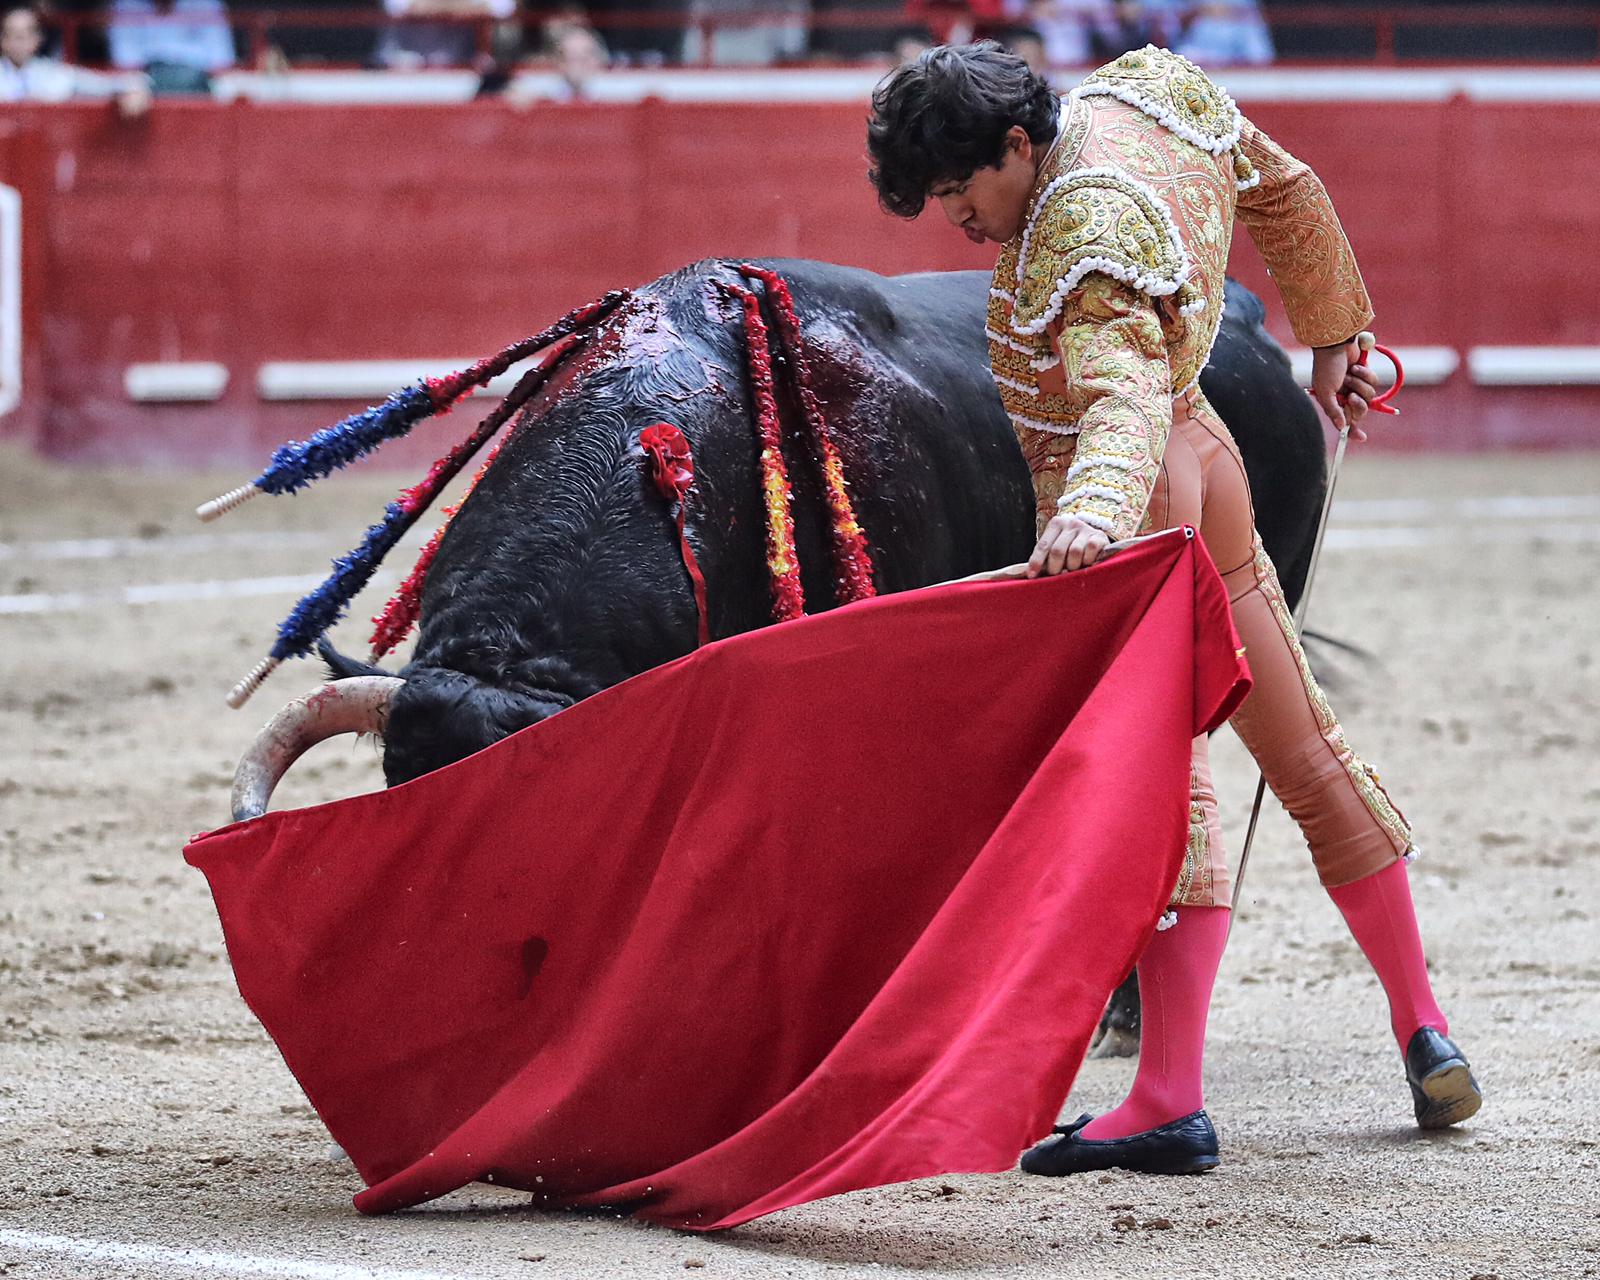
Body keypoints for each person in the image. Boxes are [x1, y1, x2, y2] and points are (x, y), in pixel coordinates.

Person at [866, 42, 1482, 1174]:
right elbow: (1288, 188)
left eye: (961, 187)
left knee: (1171, 781)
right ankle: (1421, 1022)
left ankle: (1165, 1096)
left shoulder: (1077, 232)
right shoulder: (1146, 91)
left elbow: (1120, 391)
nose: (955, 214)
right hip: (1213, 454)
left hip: (1146, 474)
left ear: (1017, 144)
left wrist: (1096, 511)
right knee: (1305, 748)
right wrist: (1337, 334)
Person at [1, 1, 151, 110]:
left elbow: (101, 85)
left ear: (38, 39)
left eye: (25, 34)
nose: (18, 42)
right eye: (12, 34)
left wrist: (133, 87)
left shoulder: (52, 73)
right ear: (2, 39)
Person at [107, 0, 235, 92]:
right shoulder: (127, 5)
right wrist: (134, 85)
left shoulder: (207, 4)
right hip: (147, 85)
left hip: (201, 85)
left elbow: (221, 62)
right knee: (131, 87)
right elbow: (126, 63)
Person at [1176, 0, 1274, 67]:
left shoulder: (1247, 26)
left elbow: (1260, 57)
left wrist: (1229, 62)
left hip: (1240, 80)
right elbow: (1184, 53)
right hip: (1207, 79)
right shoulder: (1200, 24)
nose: (1216, 6)